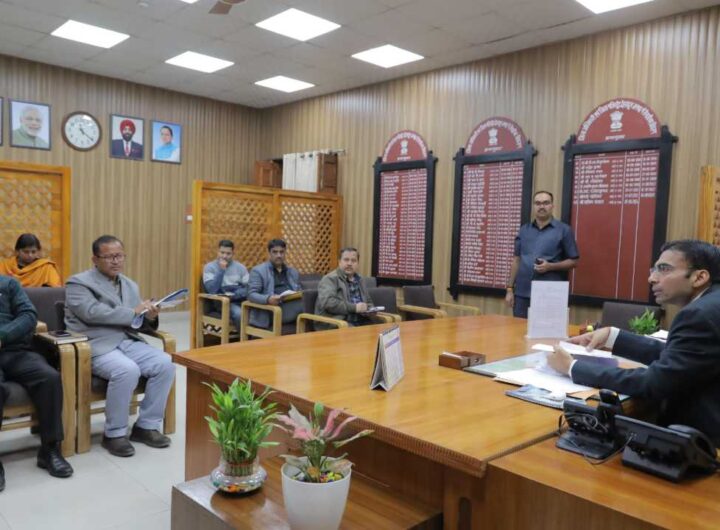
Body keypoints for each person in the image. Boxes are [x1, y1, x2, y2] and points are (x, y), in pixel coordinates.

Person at [547, 239, 720, 445]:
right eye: (653, 270)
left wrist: (572, 367)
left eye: (664, 269)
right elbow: (682, 356)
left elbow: (654, 383)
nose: (651, 278)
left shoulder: (699, 314)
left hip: (704, 440)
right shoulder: (711, 304)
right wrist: (613, 336)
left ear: (699, 277)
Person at [64, 235, 175, 457]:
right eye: (109, 257)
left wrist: (150, 316)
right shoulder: (78, 283)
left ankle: (146, 426)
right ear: (95, 259)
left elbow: (136, 321)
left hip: (126, 339)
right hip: (94, 343)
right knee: (127, 370)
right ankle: (114, 434)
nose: (116, 261)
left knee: (165, 363)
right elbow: (91, 312)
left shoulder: (130, 284)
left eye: (119, 256)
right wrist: (133, 312)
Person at [0, 274, 74, 490]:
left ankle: (50, 449)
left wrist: (3, 335)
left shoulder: (8, 284)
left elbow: (28, 314)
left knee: (49, 378)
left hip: (16, 350)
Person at [505, 191, 579, 318]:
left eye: (546, 203)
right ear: (534, 206)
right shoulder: (524, 230)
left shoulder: (564, 230)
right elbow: (517, 260)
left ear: (552, 206)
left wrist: (550, 266)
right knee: (518, 328)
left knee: (547, 330)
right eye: (538, 203)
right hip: (522, 294)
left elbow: (574, 261)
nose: (541, 206)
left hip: (550, 294)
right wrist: (510, 289)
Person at [316, 247, 376, 329]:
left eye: (353, 261)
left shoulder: (360, 279)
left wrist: (369, 309)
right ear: (339, 262)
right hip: (337, 322)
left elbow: (369, 302)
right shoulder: (329, 279)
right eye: (346, 260)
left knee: (383, 331)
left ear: (358, 263)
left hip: (361, 320)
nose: (349, 263)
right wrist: (355, 308)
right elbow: (329, 303)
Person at [248, 239, 302, 330]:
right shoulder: (258, 271)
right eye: (275, 252)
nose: (279, 255)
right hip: (271, 310)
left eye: (282, 252)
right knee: (307, 305)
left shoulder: (292, 272)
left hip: (290, 305)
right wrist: (268, 299)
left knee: (308, 301)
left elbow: (298, 290)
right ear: (269, 253)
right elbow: (251, 295)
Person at [202, 240, 248, 330]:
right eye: (222, 252)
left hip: (239, 299)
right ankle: (244, 338)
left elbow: (248, 287)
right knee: (239, 314)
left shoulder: (241, 268)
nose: (224, 256)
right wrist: (221, 270)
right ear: (217, 252)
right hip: (222, 303)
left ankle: (257, 337)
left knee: (259, 312)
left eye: (228, 253)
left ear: (233, 254)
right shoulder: (209, 267)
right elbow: (212, 290)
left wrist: (236, 294)